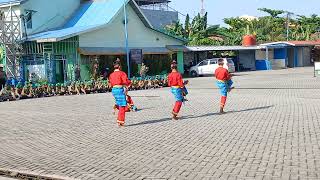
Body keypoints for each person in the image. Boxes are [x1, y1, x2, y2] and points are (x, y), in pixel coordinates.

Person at [109, 60, 131, 127]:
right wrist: (129, 83)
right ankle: (120, 121)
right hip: (119, 90)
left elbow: (110, 83)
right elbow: (125, 81)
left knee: (120, 103)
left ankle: (116, 106)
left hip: (114, 90)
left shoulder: (111, 74)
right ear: (119, 66)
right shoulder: (122, 73)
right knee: (122, 106)